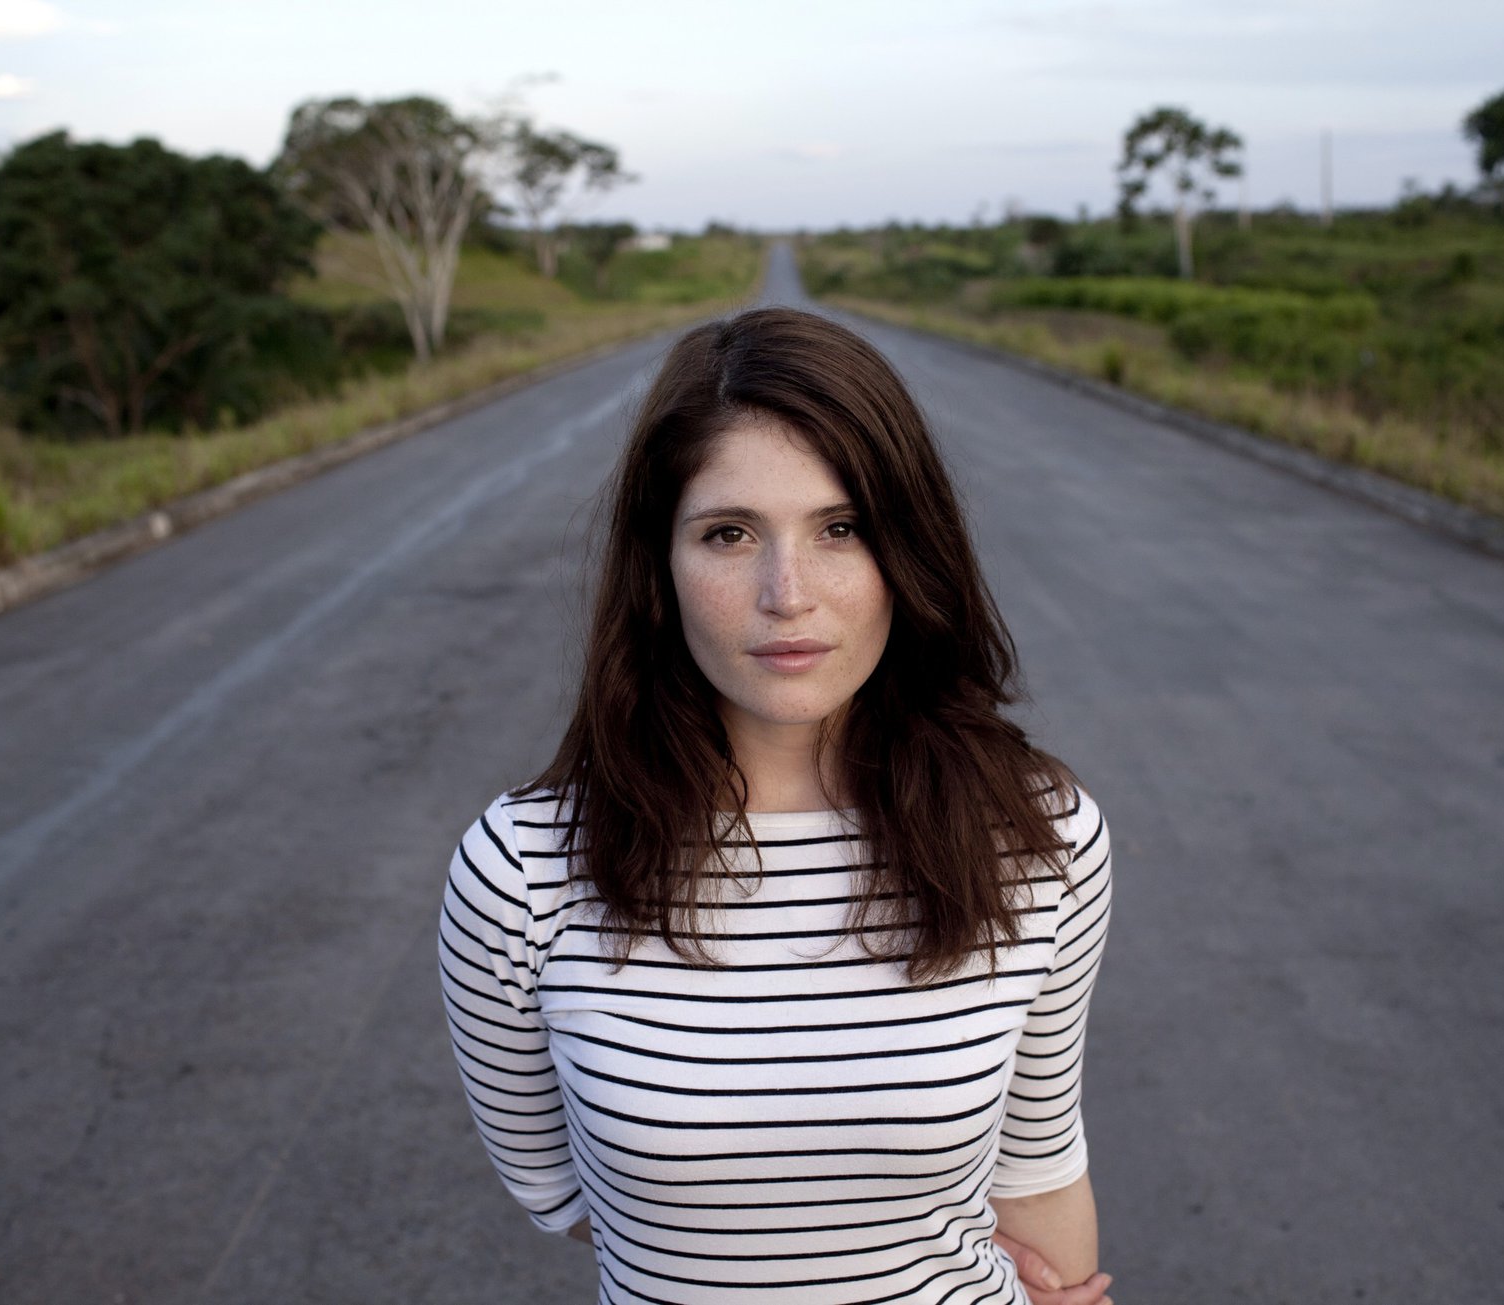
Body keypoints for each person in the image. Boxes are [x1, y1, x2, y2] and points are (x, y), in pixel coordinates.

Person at [438, 307, 1114, 1304]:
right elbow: (568, 1194)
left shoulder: (1036, 837)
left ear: (907, 553)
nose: (786, 593)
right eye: (727, 533)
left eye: (839, 528)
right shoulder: (522, 870)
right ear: (658, 570)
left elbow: (1038, 1166)